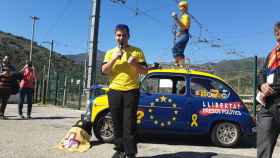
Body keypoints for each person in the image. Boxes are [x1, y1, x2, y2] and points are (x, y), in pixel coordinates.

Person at [101, 24, 148, 158]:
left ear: (128, 36)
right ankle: (120, 149)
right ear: (115, 36)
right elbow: (104, 70)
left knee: (129, 122)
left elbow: (145, 71)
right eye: (118, 35)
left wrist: (134, 64)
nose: (121, 38)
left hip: (131, 91)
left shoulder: (137, 51)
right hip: (114, 90)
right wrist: (115, 58)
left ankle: (130, 152)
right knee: (116, 121)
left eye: (124, 35)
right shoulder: (110, 53)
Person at [257, 21, 280, 158]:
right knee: (263, 149)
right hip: (268, 107)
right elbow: (261, 74)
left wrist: (273, 88)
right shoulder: (272, 55)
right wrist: (262, 85)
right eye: (276, 31)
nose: (277, 33)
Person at [171, 0, 191, 67]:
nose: (180, 8)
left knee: (176, 49)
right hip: (183, 34)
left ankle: (180, 64)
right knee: (178, 49)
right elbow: (182, 27)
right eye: (179, 7)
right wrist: (178, 33)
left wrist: (176, 19)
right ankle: (179, 63)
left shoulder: (186, 16)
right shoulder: (183, 16)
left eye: (181, 7)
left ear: (185, 7)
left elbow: (184, 26)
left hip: (185, 35)